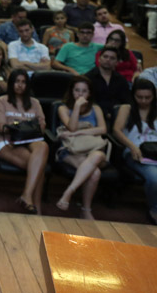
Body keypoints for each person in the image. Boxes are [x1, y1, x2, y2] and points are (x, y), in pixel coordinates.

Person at [0, 69, 49, 215]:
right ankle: (36, 207)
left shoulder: (35, 103)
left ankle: (26, 196)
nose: (20, 85)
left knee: (43, 146)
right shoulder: (2, 101)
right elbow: (1, 127)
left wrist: (17, 125)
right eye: (17, 81)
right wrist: (26, 125)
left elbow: (42, 127)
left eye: (23, 82)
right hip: (7, 141)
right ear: (11, 83)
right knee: (38, 166)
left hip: (30, 139)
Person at [54, 76, 109, 220]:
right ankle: (86, 209)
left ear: (89, 93)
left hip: (94, 149)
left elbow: (103, 129)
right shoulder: (63, 108)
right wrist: (77, 107)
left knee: (97, 156)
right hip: (72, 150)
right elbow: (70, 126)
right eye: (77, 90)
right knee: (95, 173)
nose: (80, 94)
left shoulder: (96, 108)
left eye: (84, 91)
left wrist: (79, 132)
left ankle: (68, 192)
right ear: (71, 91)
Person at [113, 79, 157, 225]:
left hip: (155, 151)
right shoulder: (127, 108)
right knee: (154, 177)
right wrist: (132, 147)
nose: (144, 101)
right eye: (140, 97)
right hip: (136, 152)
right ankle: (154, 210)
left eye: (148, 98)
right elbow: (116, 130)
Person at [85, 46, 131, 119]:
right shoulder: (88, 78)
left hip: (117, 117)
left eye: (112, 58)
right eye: (105, 57)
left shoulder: (121, 80)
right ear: (99, 59)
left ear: (117, 62)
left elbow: (126, 102)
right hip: (93, 116)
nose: (108, 60)